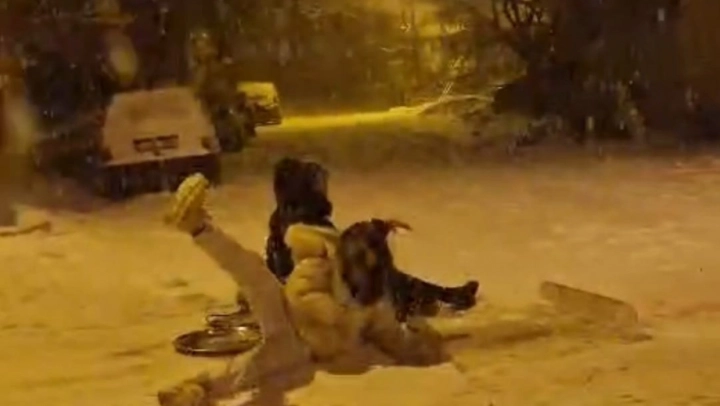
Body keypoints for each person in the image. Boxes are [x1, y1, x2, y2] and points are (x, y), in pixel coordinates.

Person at [165, 173, 446, 367]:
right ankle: (199, 227)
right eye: (359, 261)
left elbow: (391, 336)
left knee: (259, 367)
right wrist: (331, 314)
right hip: (291, 333)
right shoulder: (318, 269)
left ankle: (197, 390)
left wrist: (420, 347)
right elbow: (299, 299)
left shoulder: (373, 300)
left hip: (308, 351)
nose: (363, 271)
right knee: (258, 280)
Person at [265, 157, 480, 322]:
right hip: (331, 299)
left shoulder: (291, 217)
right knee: (382, 274)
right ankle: (434, 299)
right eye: (318, 185)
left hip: (332, 290)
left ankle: (442, 296)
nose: (323, 190)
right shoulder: (299, 223)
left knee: (388, 274)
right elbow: (335, 252)